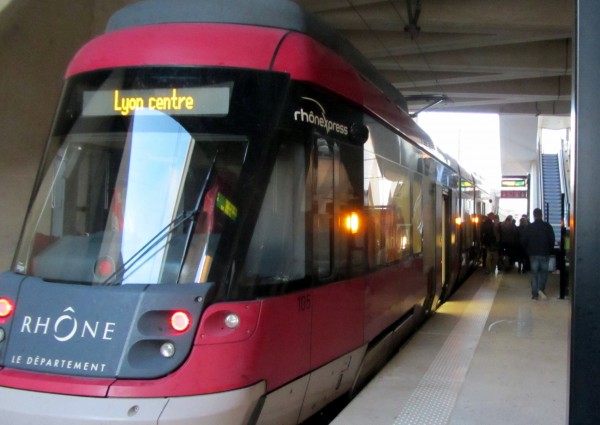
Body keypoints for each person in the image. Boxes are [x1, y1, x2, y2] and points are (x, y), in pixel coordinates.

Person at [523, 208, 555, 300]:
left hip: (533, 254)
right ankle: (541, 290)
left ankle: (534, 294)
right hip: (545, 253)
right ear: (541, 215)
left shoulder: (529, 227)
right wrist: (550, 250)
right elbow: (552, 240)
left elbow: (524, 240)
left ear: (534, 215)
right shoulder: (548, 227)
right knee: (544, 273)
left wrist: (527, 250)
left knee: (534, 274)